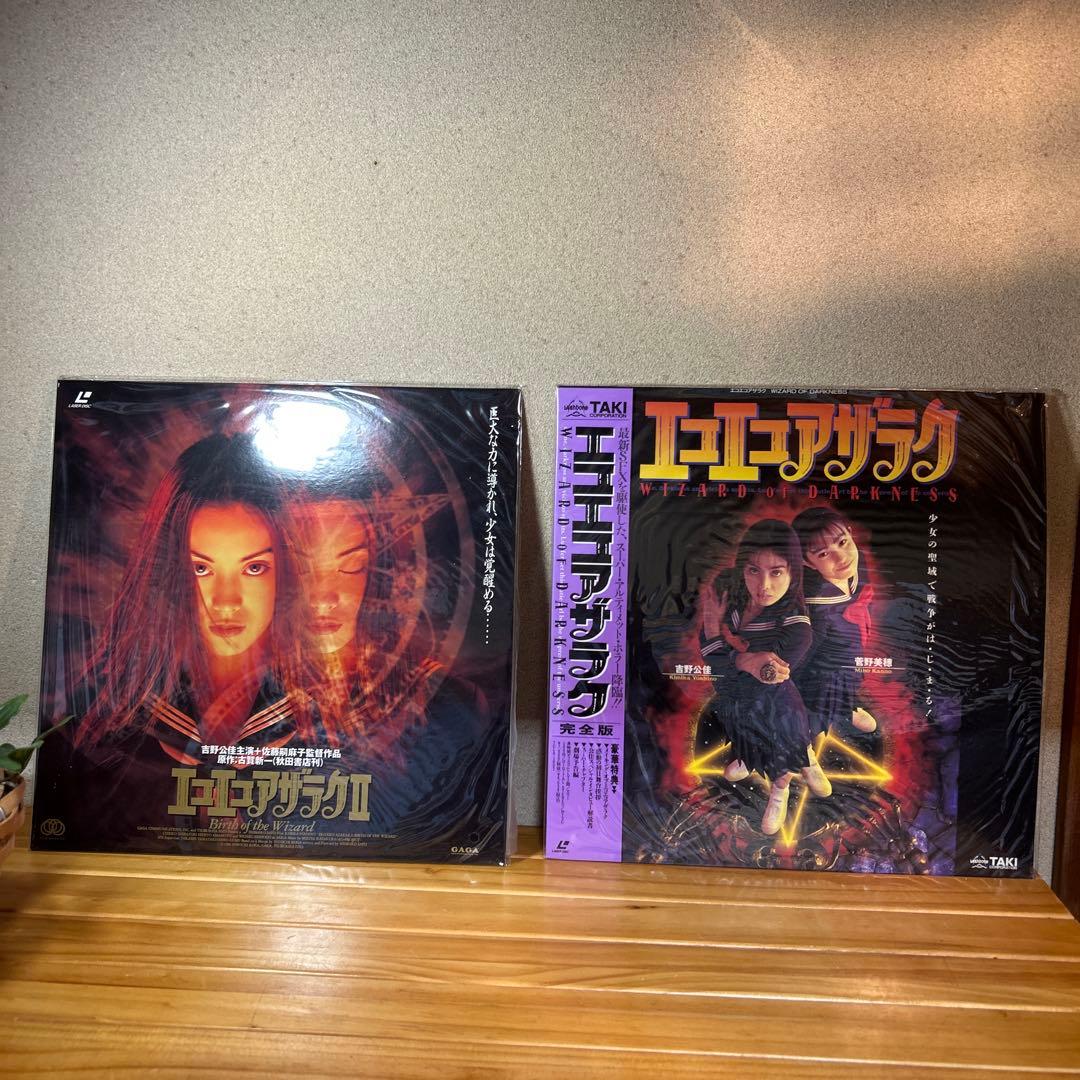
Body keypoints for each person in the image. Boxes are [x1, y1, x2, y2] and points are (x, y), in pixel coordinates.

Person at [73, 432, 315, 762]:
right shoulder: (111, 717)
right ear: (167, 569)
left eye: (254, 568)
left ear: (285, 572)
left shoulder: (327, 718)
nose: (226, 602)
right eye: (200, 568)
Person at [696, 519, 831, 836]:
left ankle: (784, 787)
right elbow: (716, 665)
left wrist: (724, 648)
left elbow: (759, 678)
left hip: (776, 705)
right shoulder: (736, 600)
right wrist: (739, 656)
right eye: (754, 570)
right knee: (746, 733)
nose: (764, 585)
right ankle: (769, 756)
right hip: (743, 702)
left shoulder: (798, 629)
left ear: (793, 572)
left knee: (781, 748)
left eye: (777, 572)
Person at [792, 507, 878, 739]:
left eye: (842, 542)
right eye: (823, 554)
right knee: (814, 709)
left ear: (850, 533)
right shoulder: (815, 607)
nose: (841, 558)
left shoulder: (856, 566)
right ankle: (801, 746)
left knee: (847, 681)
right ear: (807, 562)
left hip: (847, 656)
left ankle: (845, 708)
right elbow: (803, 655)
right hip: (819, 673)